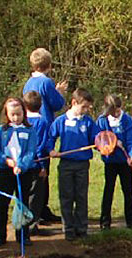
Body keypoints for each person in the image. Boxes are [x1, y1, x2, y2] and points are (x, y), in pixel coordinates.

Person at [22, 48, 67, 224]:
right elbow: (57, 103)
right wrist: (60, 92)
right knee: (42, 170)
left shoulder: (28, 83)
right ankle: (38, 210)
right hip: (43, 126)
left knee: (38, 171)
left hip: (30, 125)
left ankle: (42, 208)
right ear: (48, 66)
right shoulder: (46, 82)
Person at [47, 88, 99, 240]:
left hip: (83, 164)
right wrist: (51, 150)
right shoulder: (61, 121)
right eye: (83, 107)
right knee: (67, 196)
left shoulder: (88, 121)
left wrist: (99, 143)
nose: (86, 110)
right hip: (66, 164)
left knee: (81, 196)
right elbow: (51, 137)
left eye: (88, 107)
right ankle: (68, 228)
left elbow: (96, 138)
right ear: (74, 103)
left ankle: (81, 228)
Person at [0, 98, 38, 246]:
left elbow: (31, 152)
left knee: (22, 203)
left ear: (24, 112)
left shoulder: (30, 130)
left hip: (23, 172)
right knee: (2, 203)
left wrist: (22, 166)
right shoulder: (1, 130)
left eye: (19, 114)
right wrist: (6, 161)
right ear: (7, 114)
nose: (16, 118)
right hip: (6, 171)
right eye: (13, 115)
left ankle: (23, 235)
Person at [97, 94, 132, 229]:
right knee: (108, 189)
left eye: (118, 110)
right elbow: (98, 140)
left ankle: (131, 221)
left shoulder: (127, 120)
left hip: (124, 162)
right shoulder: (102, 121)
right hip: (110, 161)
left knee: (127, 190)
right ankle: (105, 222)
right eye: (113, 112)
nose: (116, 114)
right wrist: (111, 144)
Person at [23, 91, 56, 235]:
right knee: (36, 195)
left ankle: (25, 224)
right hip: (38, 163)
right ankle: (31, 225)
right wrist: (43, 165)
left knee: (25, 193)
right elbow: (41, 144)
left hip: (24, 163)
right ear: (41, 106)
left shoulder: (22, 120)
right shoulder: (42, 122)